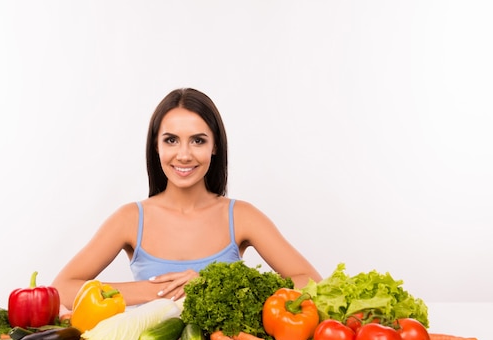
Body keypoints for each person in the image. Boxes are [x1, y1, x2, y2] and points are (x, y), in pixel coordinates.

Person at [51, 88, 322, 310]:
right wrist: (153, 291)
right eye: (171, 140)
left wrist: (212, 285)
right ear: (155, 145)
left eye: (197, 141)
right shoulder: (130, 219)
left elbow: (310, 282)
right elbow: (62, 288)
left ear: (214, 146)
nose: (183, 155)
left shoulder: (242, 217)